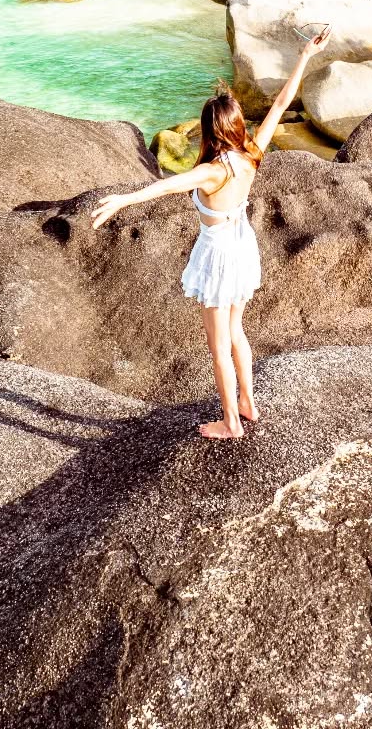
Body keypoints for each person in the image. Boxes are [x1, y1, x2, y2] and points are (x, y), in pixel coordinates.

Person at [89, 29, 331, 439]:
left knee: (219, 345)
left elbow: (163, 186)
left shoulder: (211, 171)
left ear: (209, 130)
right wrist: (306, 55)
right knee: (237, 330)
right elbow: (282, 102)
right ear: (235, 127)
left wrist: (120, 201)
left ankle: (231, 422)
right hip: (242, 247)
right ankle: (248, 402)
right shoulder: (252, 152)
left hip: (220, 254)